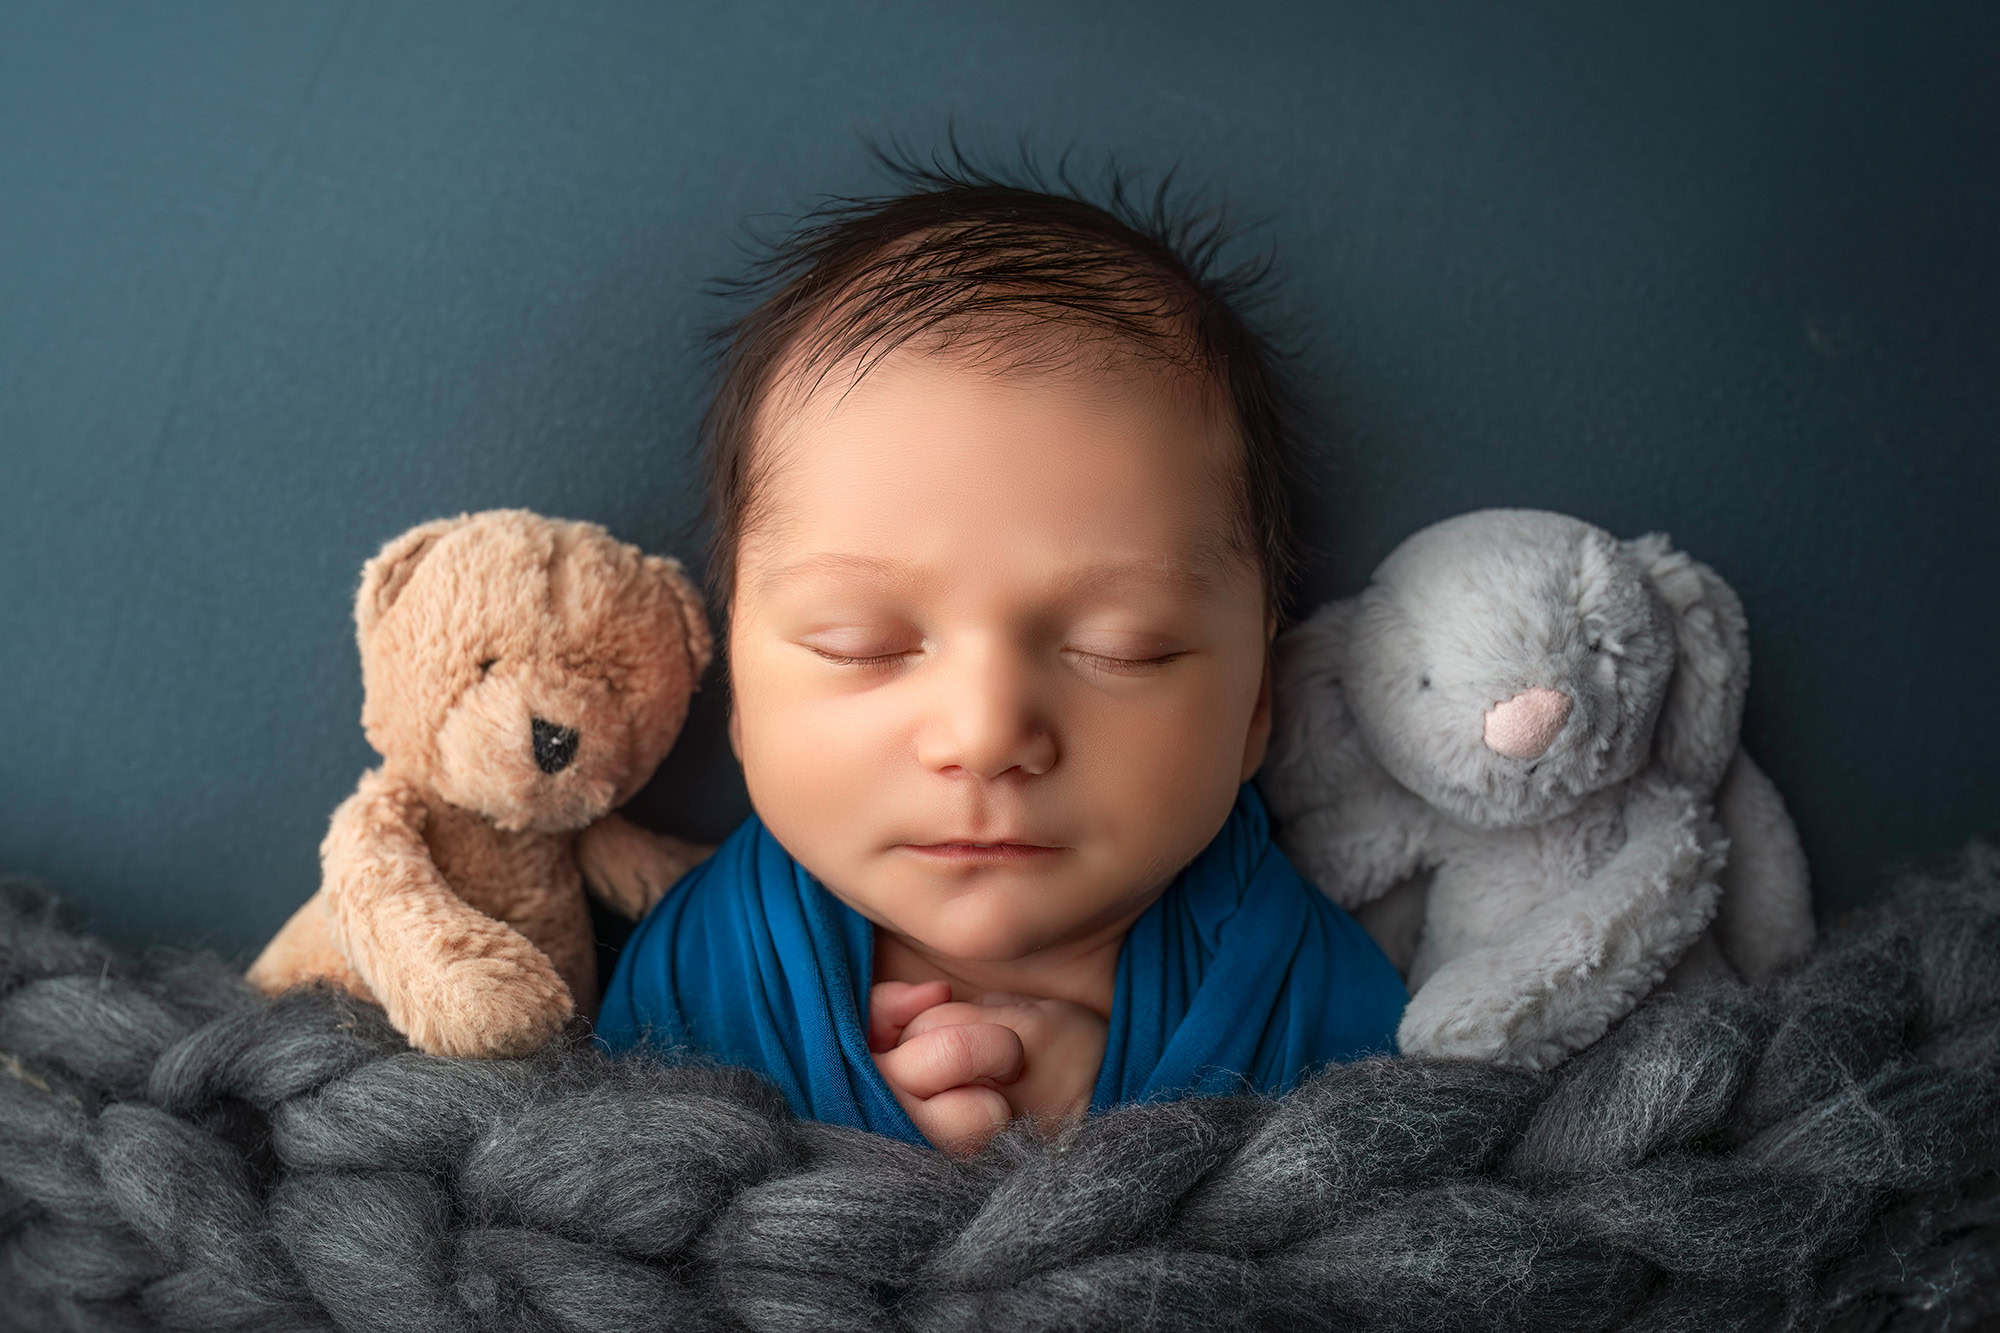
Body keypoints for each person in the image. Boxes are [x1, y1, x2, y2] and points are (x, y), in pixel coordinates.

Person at [593, 142, 1407, 1154]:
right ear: (741, 701)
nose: (984, 734)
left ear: (1253, 703)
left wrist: (1118, 1140)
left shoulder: (1296, 979)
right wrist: (859, 1146)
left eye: (1123, 648)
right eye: (862, 644)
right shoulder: (706, 971)